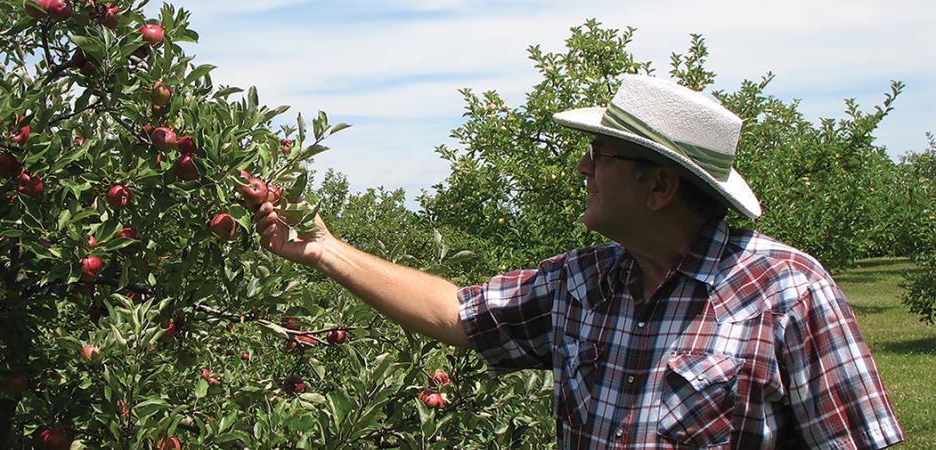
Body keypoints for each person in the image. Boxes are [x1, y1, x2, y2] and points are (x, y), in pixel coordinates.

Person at [253, 74, 904, 449]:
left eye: (600, 152)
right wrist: (325, 250)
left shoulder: (788, 292)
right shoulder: (584, 282)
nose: (581, 164)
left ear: (660, 187)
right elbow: (457, 311)